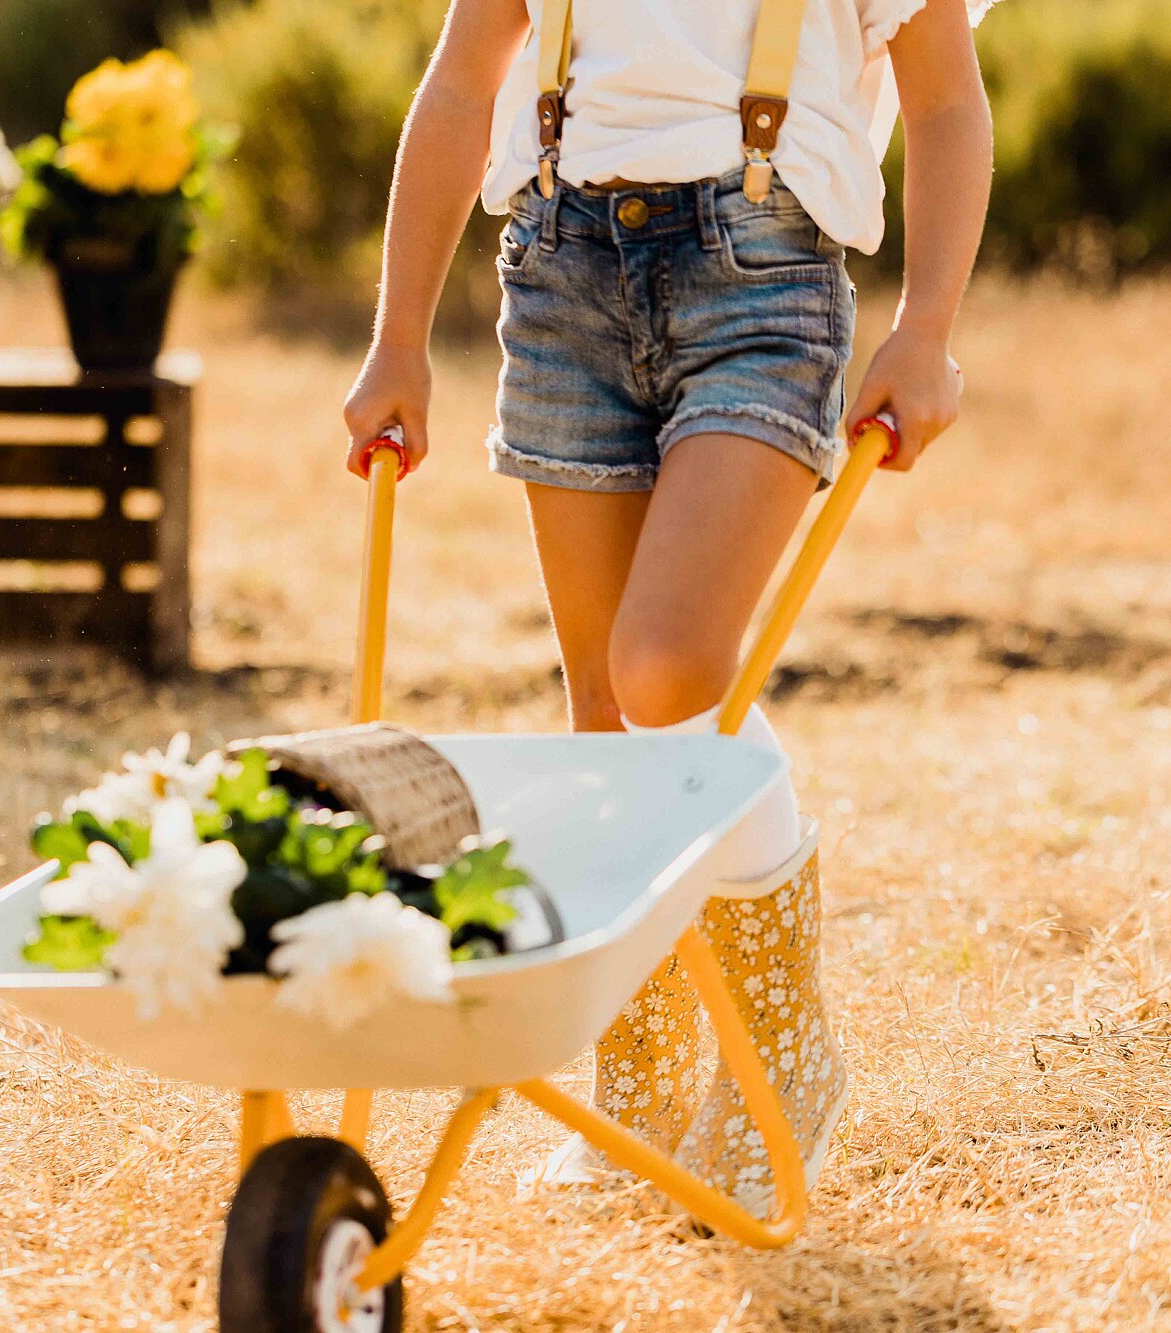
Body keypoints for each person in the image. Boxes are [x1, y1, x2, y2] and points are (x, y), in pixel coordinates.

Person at [343, 0, 998, 1214]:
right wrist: (396, 340)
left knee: (667, 669)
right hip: (558, 276)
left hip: (757, 279)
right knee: (602, 708)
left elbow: (951, 105)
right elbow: (458, 84)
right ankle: (639, 1073)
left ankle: (784, 1049)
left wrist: (926, 331)